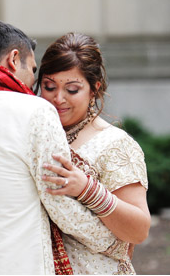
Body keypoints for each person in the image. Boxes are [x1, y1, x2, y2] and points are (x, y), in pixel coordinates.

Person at [0, 21, 127, 275]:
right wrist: (114, 243)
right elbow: (61, 206)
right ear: (14, 59)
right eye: (33, 69)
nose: (33, 85)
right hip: (15, 265)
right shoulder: (34, 111)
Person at [36, 32, 150, 274]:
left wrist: (87, 190)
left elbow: (139, 230)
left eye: (72, 89)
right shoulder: (37, 137)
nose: (58, 98)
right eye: (49, 86)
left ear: (94, 90)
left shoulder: (114, 144)